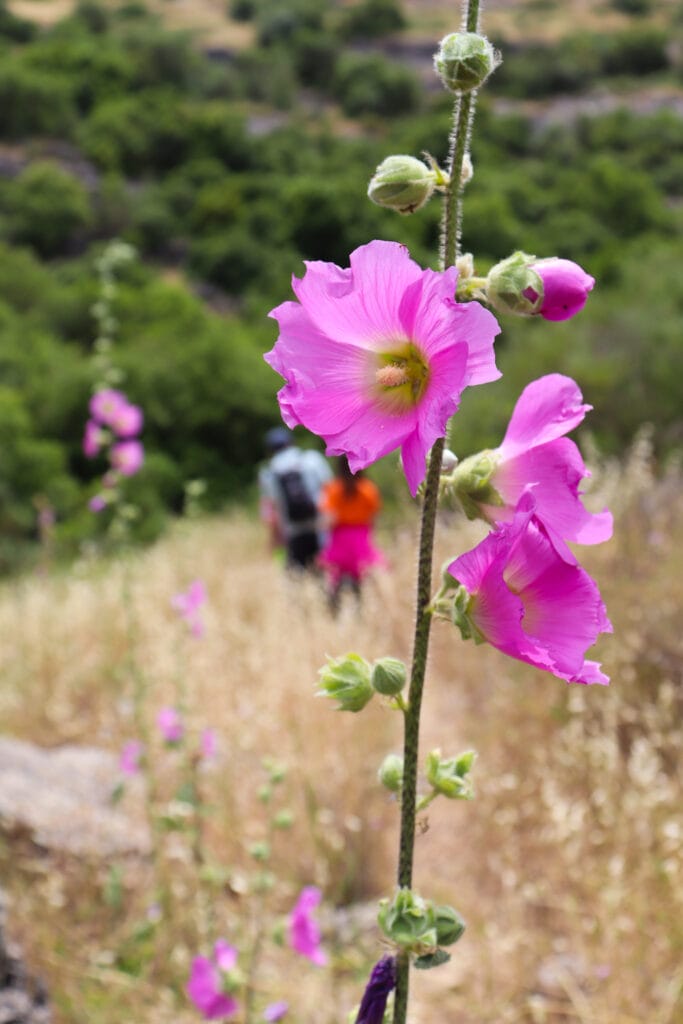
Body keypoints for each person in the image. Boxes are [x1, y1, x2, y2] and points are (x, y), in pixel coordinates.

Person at [258, 427, 331, 571]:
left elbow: (273, 509)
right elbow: (331, 489)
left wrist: (275, 539)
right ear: (291, 442)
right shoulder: (312, 459)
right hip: (320, 526)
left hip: (293, 531)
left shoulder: (269, 472)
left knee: (297, 577)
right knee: (323, 573)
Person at [318, 457, 386, 612]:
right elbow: (374, 517)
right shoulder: (368, 489)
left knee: (334, 585)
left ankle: (333, 615)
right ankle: (358, 613)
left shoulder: (333, 489)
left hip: (339, 540)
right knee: (360, 585)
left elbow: (328, 519)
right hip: (360, 541)